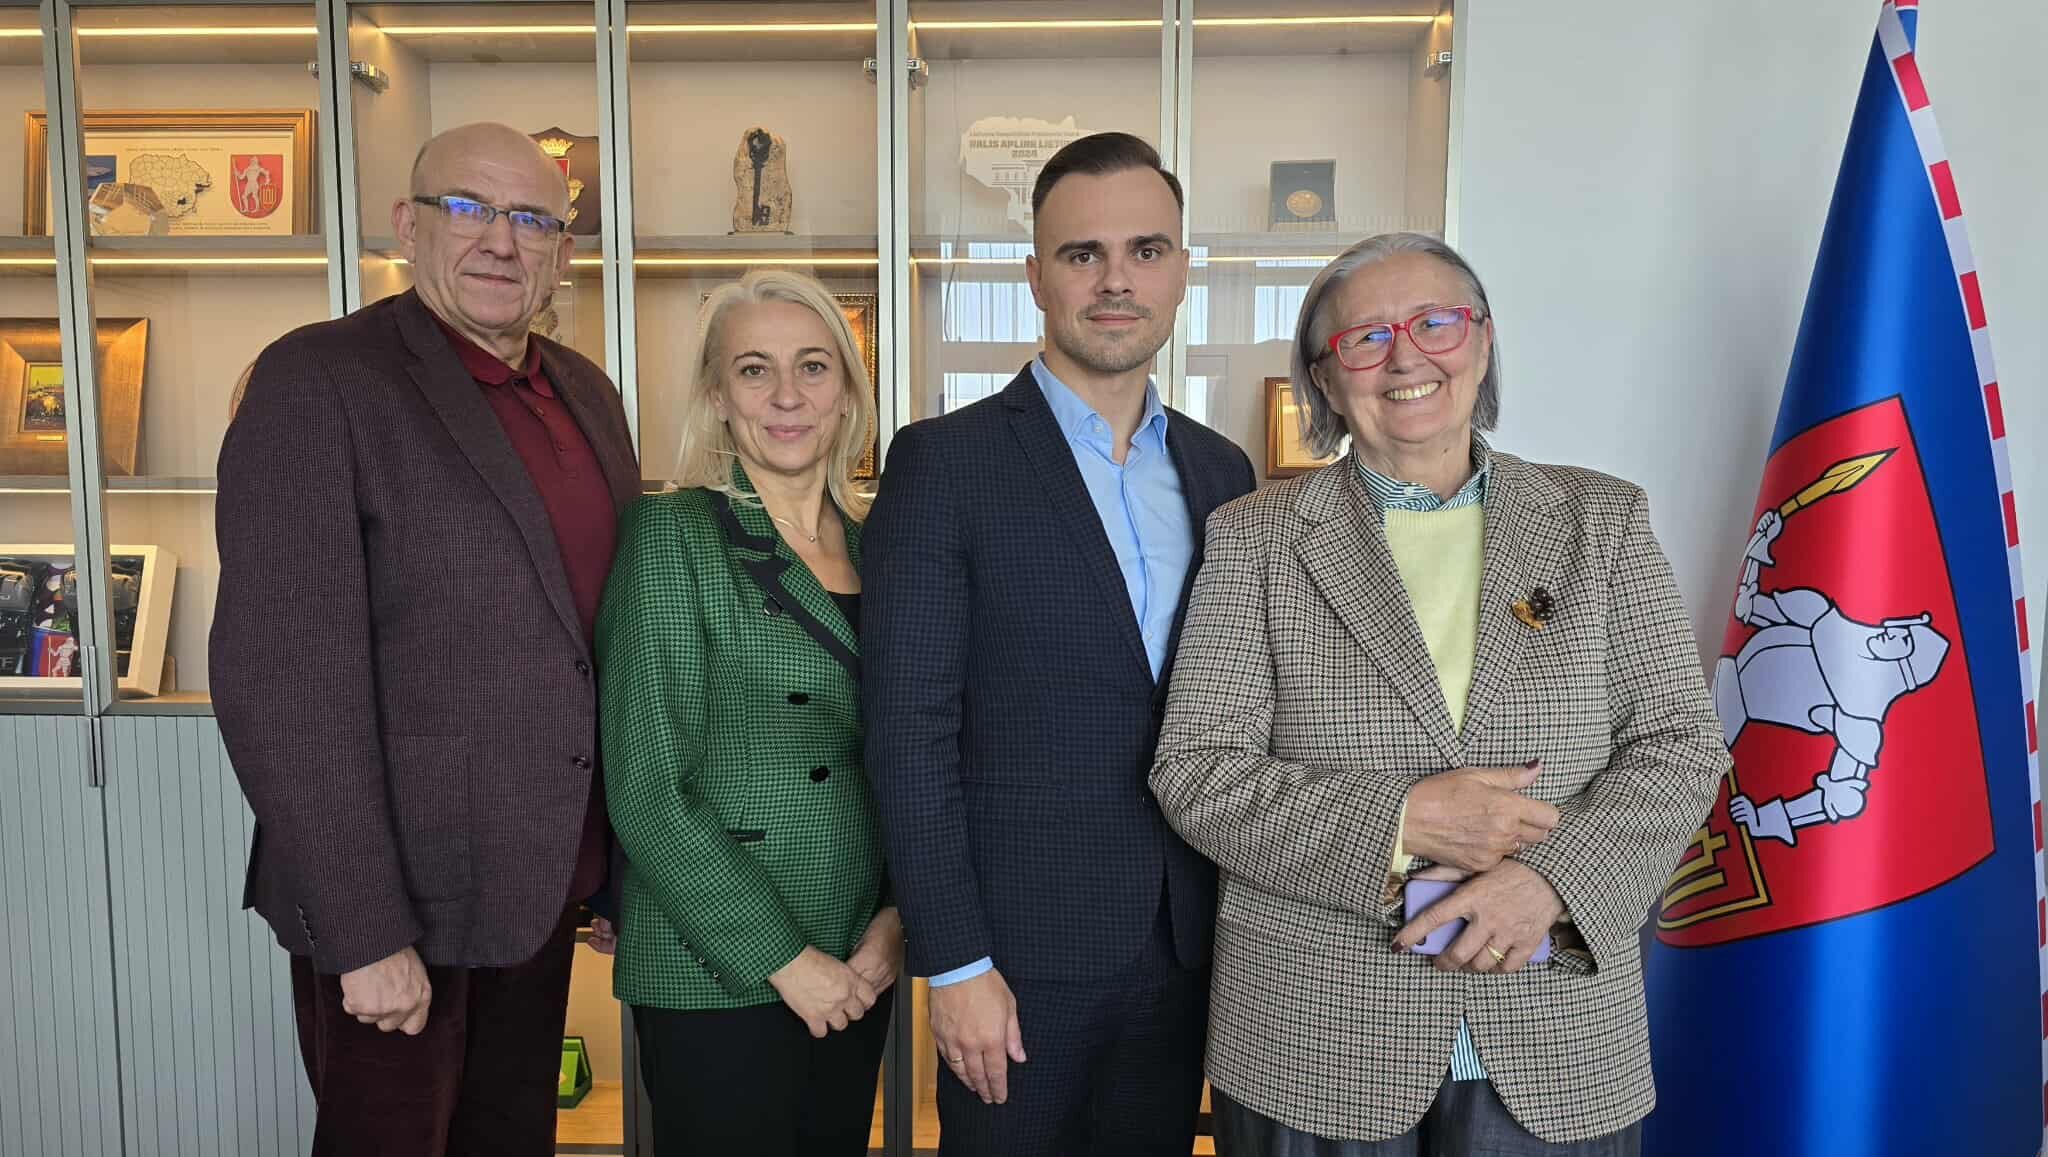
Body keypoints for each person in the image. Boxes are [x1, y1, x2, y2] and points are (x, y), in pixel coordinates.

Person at [1150, 232, 1730, 1156]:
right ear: (1325, 379)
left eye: (1436, 323)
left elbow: (1681, 743)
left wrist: (1553, 882)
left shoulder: (1604, 520)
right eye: (1366, 338)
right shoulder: (1255, 537)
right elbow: (1196, 770)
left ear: (1483, 342)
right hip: (1317, 1035)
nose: (1406, 357)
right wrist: (1403, 821)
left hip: (1557, 1027)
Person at [212, 121, 636, 1155]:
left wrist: (614, 861)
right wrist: (364, 929)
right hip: (401, 904)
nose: (501, 240)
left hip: (540, 885)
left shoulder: (586, 391)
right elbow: (281, 678)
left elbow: (598, 641)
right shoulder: (318, 380)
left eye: (532, 219)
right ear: (408, 225)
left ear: (562, 250)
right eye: (469, 208)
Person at [862, 131, 1257, 1156]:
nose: (1115, 280)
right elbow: (907, 730)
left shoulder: (1223, 472)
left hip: (1188, 944)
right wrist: (954, 961)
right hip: (1014, 959)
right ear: (1036, 278)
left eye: (1144, 250)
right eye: (1083, 254)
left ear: (1180, 271)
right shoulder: (943, 462)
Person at [597, 270, 901, 1156]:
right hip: (719, 961)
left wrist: (894, 924)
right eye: (755, 370)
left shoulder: (886, 544)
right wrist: (787, 961)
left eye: (813, 366)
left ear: (847, 391)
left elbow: (915, 752)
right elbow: (648, 788)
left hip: (859, 951)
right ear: (717, 398)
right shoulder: (672, 534)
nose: (787, 396)